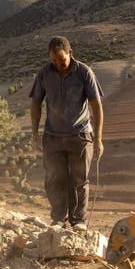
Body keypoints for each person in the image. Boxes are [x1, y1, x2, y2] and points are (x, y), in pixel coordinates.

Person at [29, 36, 104, 230]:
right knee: (54, 179)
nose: (57, 63)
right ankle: (58, 220)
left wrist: (98, 139)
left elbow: (97, 106)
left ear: (70, 53)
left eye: (61, 59)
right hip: (52, 137)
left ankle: (78, 221)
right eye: (53, 60)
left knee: (79, 180)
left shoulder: (84, 72)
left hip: (79, 136)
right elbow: (35, 103)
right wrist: (35, 134)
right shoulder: (44, 73)